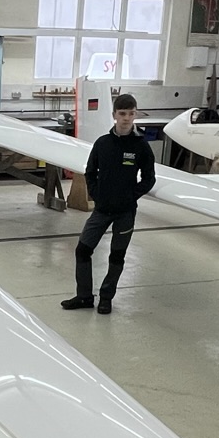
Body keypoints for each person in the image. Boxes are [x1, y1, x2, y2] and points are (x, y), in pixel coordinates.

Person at [60, 93, 155, 315]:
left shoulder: (141, 146)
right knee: (83, 250)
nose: (126, 118)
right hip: (102, 210)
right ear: (114, 115)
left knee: (116, 256)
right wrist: (96, 194)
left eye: (131, 114)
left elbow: (149, 178)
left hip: (125, 212)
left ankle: (106, 297)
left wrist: (131, 196)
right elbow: (90, 171)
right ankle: (84, 296)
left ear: (135, 115)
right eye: (122, 114)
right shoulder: (103, 143)